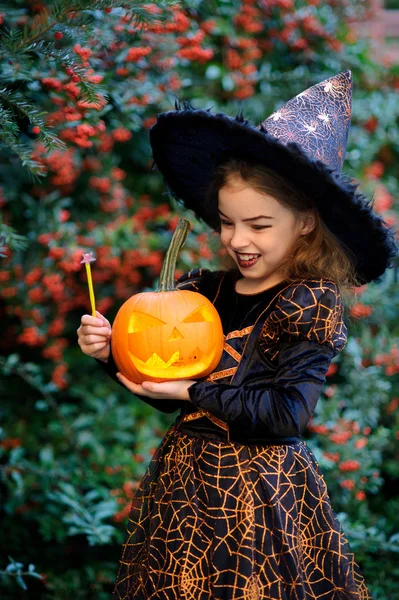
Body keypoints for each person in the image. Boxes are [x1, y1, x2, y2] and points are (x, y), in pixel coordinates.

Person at [77, 70, 397, 599]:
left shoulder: (306, 303)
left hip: (258, 498)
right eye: (227, 222)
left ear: (306, 222)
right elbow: (164, 387)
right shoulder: (204, 293)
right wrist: (110, 355)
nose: (238, 240)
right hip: (184, 487)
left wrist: (191, 392)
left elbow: (285, 414)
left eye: (259, 225)